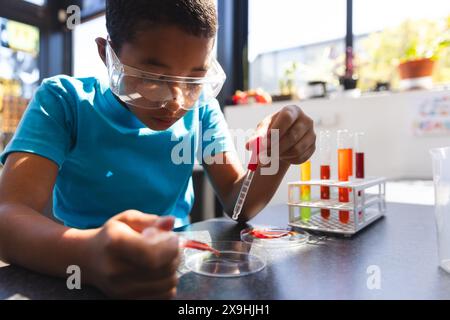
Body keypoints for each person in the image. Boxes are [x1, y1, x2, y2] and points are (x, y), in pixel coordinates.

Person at [0, 0, 315, 299]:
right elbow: (7, 216)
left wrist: (278, 155)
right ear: (106, 53)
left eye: (195, 80)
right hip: (77, 271)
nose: (176, 102)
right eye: (153, 78)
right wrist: (88, 254)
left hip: (179, 266)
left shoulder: (202, 108)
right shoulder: (64, 102)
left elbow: (238, 203)